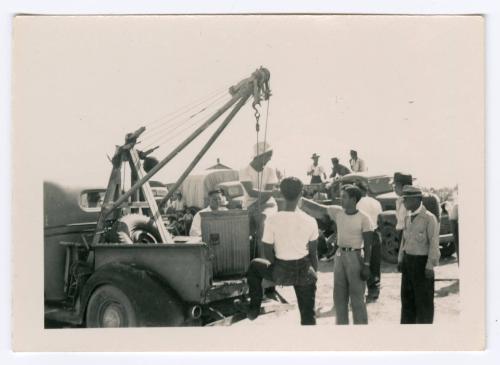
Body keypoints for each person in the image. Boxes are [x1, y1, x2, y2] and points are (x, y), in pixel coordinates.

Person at [237, 177, 319, 325]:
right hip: (305, 273)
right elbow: (313, 254)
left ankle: (254, 309)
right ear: (301, 194)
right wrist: (314, 274)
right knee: (308, 318)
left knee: (255, 265)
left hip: (281, 272)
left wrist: (276, 270)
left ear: (280, 193)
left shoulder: (272, 219)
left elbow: (267, 249)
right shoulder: (310, 220)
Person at [301, 184, 374, 325]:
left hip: (355, 256)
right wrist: (301, 199)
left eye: (344, 197)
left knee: (357, 298)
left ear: (354, 199)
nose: (341, 199)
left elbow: (369, 244)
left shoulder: (364, 218)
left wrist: (366, 265)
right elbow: (319, 208)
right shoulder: (338, 212)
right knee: (339, 297)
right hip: (340, 256)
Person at [397, 186, 440, 324]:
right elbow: (404, 241)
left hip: (422, 264)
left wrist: (430, 266)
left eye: (406, 199)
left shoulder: (429, 218)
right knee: (407, 300)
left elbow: (434, 243)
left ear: (416, 199)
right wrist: (400, 259)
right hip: (408, 262)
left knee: (424, 302)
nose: (404, 202)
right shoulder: (407, 218)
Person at [239, 141, 279, 257]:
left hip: (268, 204)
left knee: (263, 220)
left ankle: (264, 260)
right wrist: (252, 207)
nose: (269, 160)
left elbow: (268, 195)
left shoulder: (270, 171)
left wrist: (255, 207)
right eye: (268, 156)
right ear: (259, 156)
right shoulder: (244, 170)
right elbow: (251, 192)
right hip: (249, 205)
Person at [355, 181, 383, 302]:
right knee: (375, 263)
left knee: (363, 263)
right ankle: (375, 291)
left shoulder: (357, 203)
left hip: (363, 235)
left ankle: (368, 291)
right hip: (376, 233)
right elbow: (380, 217)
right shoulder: (376, 202)